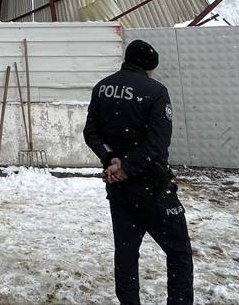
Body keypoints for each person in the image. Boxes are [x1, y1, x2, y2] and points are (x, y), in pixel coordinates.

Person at [83, 40, 193, 305]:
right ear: (149, 66)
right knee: (179, 251)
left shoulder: (102, 88)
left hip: (119, 190)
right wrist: (128, 168)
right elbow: (157, 142)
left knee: (126, 252)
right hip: (152, 187)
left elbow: (91, 133)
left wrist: (111, 159)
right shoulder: (155, 91)